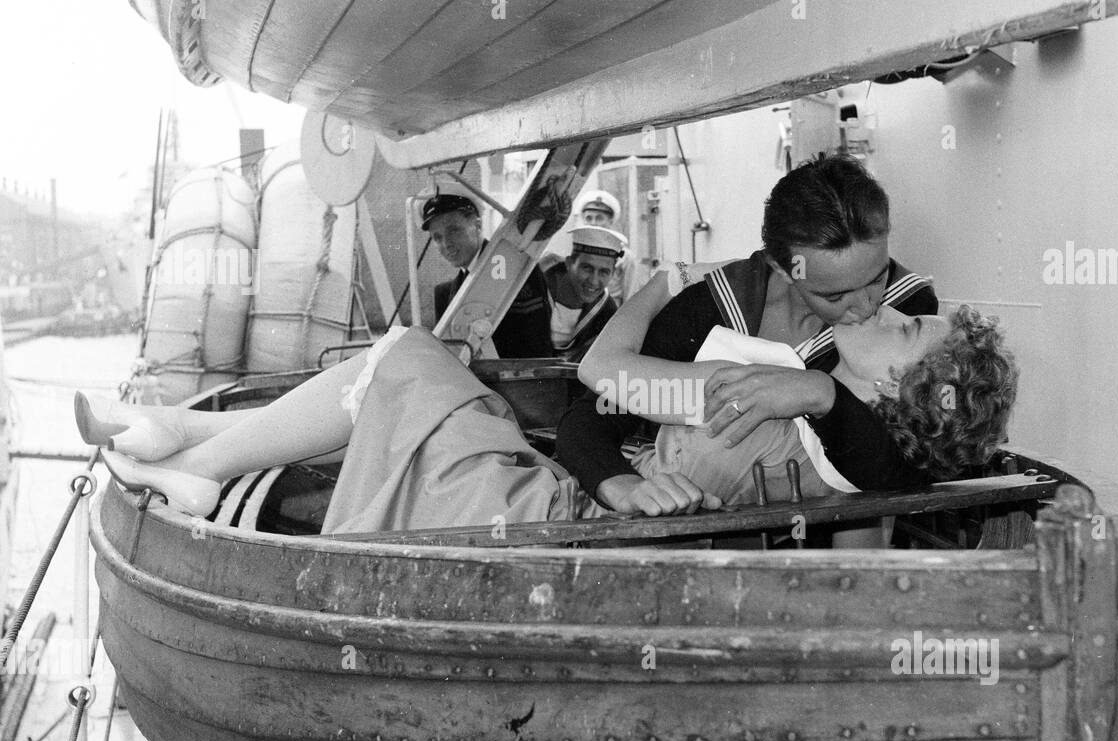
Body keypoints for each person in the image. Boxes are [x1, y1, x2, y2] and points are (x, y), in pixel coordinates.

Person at [72, 290, 1016, 530]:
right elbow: (902, 461)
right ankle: (186, 441)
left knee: (407, 354)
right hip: (574, 515)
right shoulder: (817, 427)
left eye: (905, 336)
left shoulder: (769, 401)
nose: (889, 314)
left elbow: (604, 373)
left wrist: (652, 291)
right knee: (410, 363)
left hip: (543, 534)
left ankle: (193, 465)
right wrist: (818, 386)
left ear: (899, 392)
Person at [554, 153, 943, 514]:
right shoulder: (715, 306)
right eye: (835, 294)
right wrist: (620, 484)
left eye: (878, 276)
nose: (867, 306)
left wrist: (822, 393)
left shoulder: (906, 309)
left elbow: (924, 459)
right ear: (781, 267)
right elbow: (596, 413)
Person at [424, 193, 550, 357]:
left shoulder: (515, 267)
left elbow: (537, 344)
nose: (446, 243)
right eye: (437, 237)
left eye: (453, 230)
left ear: (477, 225)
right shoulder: (444, 294)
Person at [543, 222, 626, 361]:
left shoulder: (605, 309)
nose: (594, 281)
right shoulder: (537, 289)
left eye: (604, 272)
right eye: (587, 268)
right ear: (569, 263)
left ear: (613, 273)